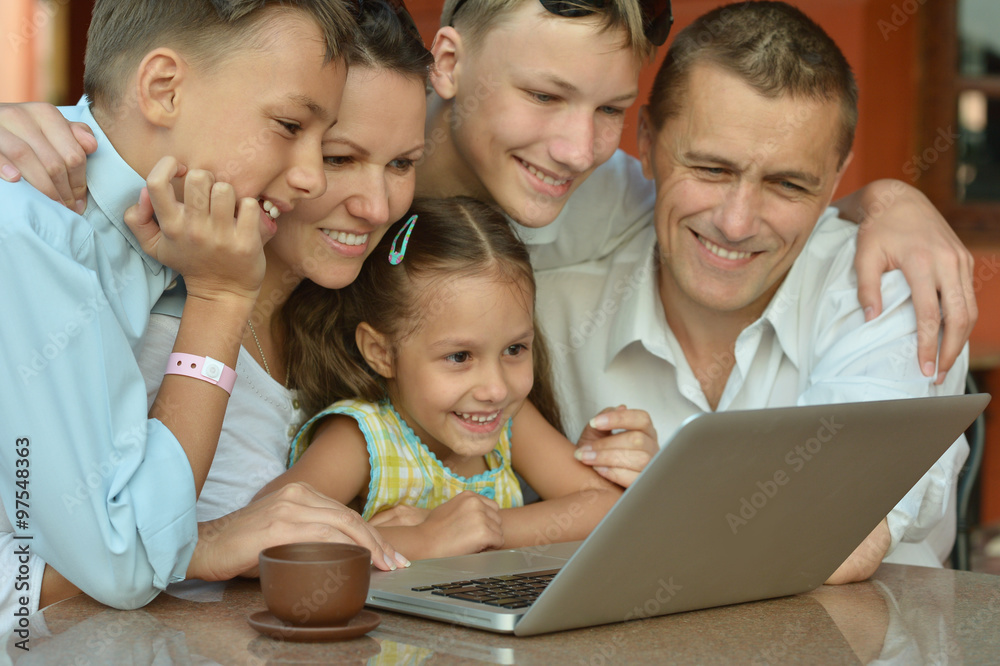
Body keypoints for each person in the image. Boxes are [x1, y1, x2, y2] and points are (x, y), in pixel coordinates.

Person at [0, 0, 978, 385]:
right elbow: (160, 119)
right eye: (543, 96)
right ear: (449, 62)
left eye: (610, 110)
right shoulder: (326, 120)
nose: (576, 147)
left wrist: (888, 200)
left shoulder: (595, 199)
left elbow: (735, 205)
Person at [0, 0, 431, 627]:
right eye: (290, 126)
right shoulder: (35, 228)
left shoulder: (175, 230)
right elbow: (124, 559)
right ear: (164, 89)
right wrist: (220, 298)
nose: (311, 177)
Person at [533, 1, 970, 582]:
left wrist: (662, 493)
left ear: (836, 179)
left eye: (787, 184)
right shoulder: (547, 305)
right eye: (711, 170)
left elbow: (839, 535)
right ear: (647, 142)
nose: (736, 224)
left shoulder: (898, 290)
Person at [255, 197, 650, 558]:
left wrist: (490, 530)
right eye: (459, 357)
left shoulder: (508, 421)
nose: (496, 388)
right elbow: (266, 536)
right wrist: (427, 540)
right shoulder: (363, 439)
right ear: (381, 352)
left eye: (514, 349)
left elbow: (606, 505)